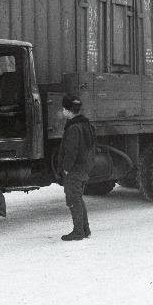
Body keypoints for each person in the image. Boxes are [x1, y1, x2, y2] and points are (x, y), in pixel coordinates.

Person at [57, 95, 96, 242]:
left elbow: (71, 151)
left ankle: (78, 231)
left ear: (68, 110)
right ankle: (85, 229)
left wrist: (66, 168)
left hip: (75, 169)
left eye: (63, 108)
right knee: (78, 198)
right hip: (84, 168)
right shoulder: (86, 124)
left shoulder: (73, 127)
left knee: (73, 198)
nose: (62, 111)